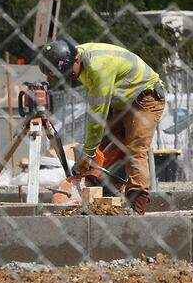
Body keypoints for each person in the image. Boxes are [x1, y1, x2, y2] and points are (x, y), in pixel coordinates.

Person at [39, 39, 166, 214]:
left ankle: (137, 204)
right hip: (122, 100)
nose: (70, 78)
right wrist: (90, 156)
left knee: (135, 149)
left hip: (146, 97)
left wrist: (87, 153)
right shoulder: (78, 59)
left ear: (76, 59)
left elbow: (97, 117)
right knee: (106, 144)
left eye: (69, 73)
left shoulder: (98, 67)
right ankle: (102, 192)